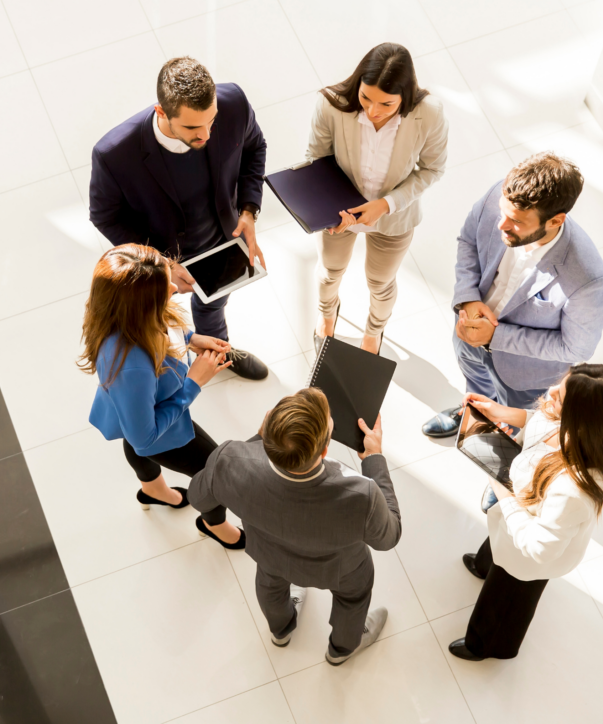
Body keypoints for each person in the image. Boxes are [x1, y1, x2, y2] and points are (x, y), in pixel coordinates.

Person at [188, 388, 401, 664]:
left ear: (267, 428)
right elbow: (389, 537)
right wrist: (374, 459)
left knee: (270, 587)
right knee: (353, 600)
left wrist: (256, 441)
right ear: (325, 450)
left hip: (270, 556)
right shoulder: (363, 496)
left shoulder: (227, 462)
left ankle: (281, 631)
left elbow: (197, 496)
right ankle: (341, 649)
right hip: (341, 571)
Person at [89, 56, 269, 381]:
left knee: (213, 305)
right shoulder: (113, 154)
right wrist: (161, 264)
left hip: (222, 240)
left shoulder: (234, 104)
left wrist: (248, 211)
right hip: (159, 254)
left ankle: (218, 351)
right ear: (161, 112)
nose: (207, 135)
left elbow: (255, 148)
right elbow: (104, 215)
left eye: (211, 122)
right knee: (153, 324)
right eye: (191, 127)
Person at [449, 363, 603, 660]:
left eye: (559, 397)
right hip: (516, 520)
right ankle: (486, 565)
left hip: (528, 551)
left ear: (580, 420)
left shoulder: (574, 491)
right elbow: (543, 421)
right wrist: (502, 412)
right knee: (498, 551)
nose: (549, 394)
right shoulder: (585, 426)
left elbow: (538, 549)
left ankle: (487, 645)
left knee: (508, 596)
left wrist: (502, 489)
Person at [422, 152, 603, 438]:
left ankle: (502, 459)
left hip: (524, 376)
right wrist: (469, 297)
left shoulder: (586, 278)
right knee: (475, 386)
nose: (501, 225)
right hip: (468, 335)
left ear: (555, 221)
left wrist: (494, 337)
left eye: (517, 222)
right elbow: (468, 241)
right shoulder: (501, 198)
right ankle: (472, 415)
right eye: (503, 213)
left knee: (513, 428)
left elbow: (576, 349)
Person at [80, 244, 245, 548]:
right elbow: (145, 438)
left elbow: (164, 327)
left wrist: (191, 338)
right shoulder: (132, 366)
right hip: (159, 427)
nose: (173, 287)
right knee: (213, 473)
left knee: (131, 439)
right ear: (141, 306)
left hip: (130, 408)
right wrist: (193, 382)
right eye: (162, 289)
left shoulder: (123, 313)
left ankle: (153, 491)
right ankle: (215, 526)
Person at [306, 43, 448, 354]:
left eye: (386, 104)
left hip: (394, 217)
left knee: (380, 283)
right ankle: (327, 314)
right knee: (330, 271)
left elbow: (432, 168)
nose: (373, 111)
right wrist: (328, 210)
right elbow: (316, 160)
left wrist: (386, 205)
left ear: (405, 97)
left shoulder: (430, 114)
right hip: (339, 213)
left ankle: (374, 332)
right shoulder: (331, 105)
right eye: (366, 97)